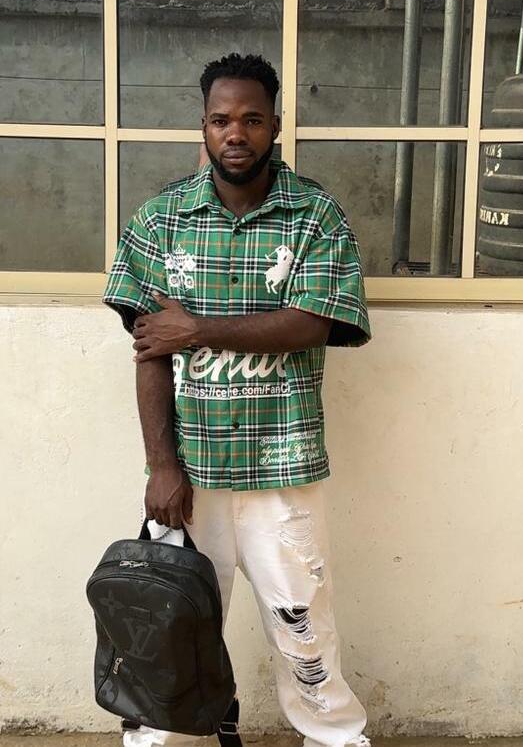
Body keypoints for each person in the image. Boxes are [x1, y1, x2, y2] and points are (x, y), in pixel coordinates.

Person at [103, 53, 372, 747]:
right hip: (192, 477)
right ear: (203, 125)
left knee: (304, 628)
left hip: (284, 467)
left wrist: (196, 328)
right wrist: (162, 466)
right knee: (169, 626)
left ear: (275, 126)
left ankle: (336, 738)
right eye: (221, 119)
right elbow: (150, 353)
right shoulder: (160, 220)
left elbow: (312, 323)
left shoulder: (315, 215)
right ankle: (149, 742)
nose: (236, 132)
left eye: (252, 119)